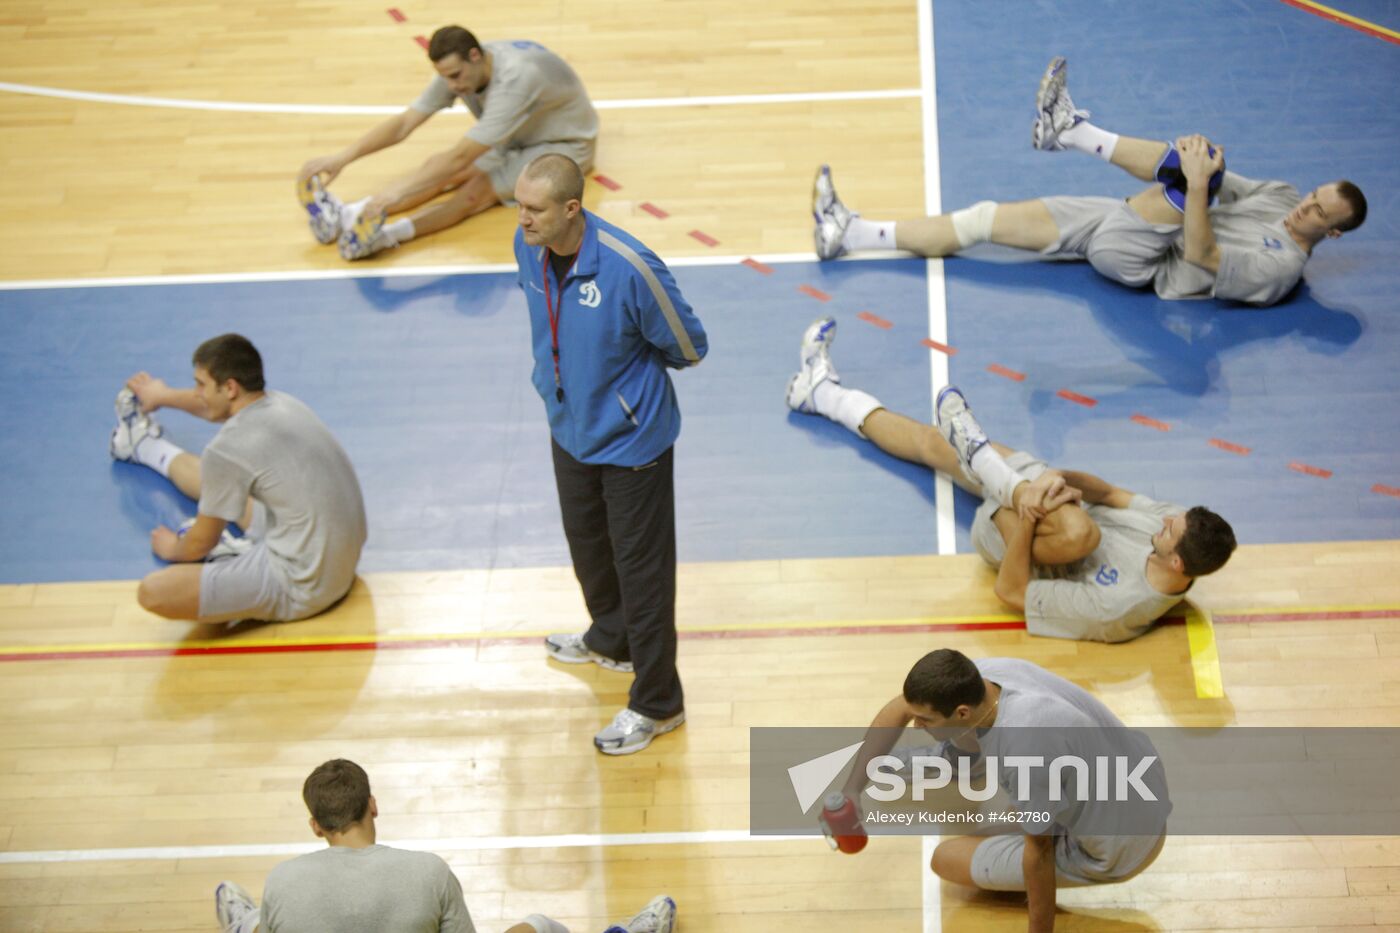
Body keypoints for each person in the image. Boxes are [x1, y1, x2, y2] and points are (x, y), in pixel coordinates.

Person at [785, 317, 1236, 642]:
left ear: (1176, 563)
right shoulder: (1176, 529)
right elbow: (1111, 492)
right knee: (928, 442)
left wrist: (1027, 513)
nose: (1163, 522)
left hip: (1012, 536)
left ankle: (998, 477)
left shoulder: (1117, 610)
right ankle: (822, 393)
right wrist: (1058, 478)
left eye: (1168, 531)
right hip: (1046, 496)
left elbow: (1011, 591)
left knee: (1083, 533)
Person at [813, 57, 1367, 307]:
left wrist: (1198, 182)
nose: (1305, 209)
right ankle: (852, 234)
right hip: (1128, 214)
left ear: (1333, 234)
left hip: (1141, 259)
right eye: (1314, 197)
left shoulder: (1280, 270)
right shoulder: (1284, 197)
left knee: (1198, 179)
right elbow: (1215, 175)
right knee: (983, 218)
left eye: (1320, 214)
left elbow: (1201, 253)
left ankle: (1074, 133)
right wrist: (1200, 158)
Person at [513, 153, 708, 755]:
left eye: (535, 209)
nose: (522, 219)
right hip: (569, 428)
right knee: (589, 547)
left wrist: (624, 392)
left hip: (631, 444)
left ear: (572, 208)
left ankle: (658, 702)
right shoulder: (528, 248)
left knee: (642, 575)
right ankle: (612, 639)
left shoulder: (629, 267)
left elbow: (688, 346)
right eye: (519, 205)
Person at [838, 649, 1170, 933]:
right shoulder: (984, 676)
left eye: (926, 721)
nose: (916, 726)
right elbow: (901, 707)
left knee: (946, 860)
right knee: (1000, 807)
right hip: (1142, 782)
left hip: (1123, 847)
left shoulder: (1023, 751)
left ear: (962, 712)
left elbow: (1037, 855)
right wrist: (853, 789)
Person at [213, 759, 677, 933]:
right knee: (536, 926)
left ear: (316, 826)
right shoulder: (427, 872)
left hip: (283, 902)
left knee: (265, 925)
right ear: (373, 805)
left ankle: (243, 925)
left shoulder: (284, 880)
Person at [109, 334, 367, 623]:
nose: (197, 393)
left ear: (229, 387)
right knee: (222, 483)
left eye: (201, 384)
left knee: (154, 591)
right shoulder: (284, 403)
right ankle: (142, 446)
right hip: (342, 562)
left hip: (301, 586)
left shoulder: (227, 449)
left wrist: (172, 549)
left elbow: (198, 545)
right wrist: (162, 396)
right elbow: (210, 407)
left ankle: (235, 556)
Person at [296, 25, 598, 261]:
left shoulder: (515, 83)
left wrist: (392, 195)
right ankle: (347, 215)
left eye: (455, 76)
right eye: (446, 78)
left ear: (475, 56)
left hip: (564, 146)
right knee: (437, 168)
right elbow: (404, 123)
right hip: (520, 135)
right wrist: (342, 158)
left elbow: (460, 157)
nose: (452, 86)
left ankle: (384, 236)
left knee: (473, 193)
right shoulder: (460, 67)